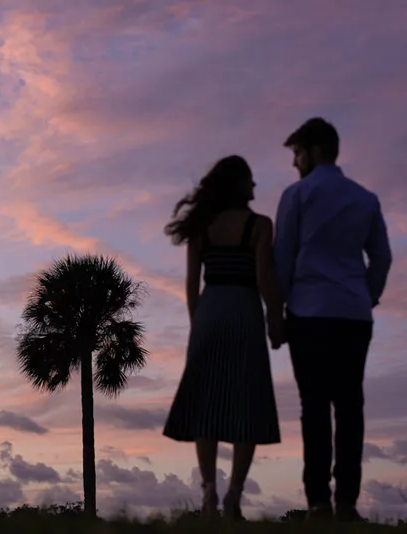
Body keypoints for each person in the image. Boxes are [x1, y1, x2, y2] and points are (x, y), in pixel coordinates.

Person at [274, 118, 393, 522]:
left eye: (297, 154)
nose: (294, 162)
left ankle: (318, 503)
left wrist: (279, 310)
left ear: (313, 151)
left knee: (314, 407)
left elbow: (282, 259)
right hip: (353, 314)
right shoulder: (364, 198)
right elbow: (382, 257)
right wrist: (367, 296)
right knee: (350, 405)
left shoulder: (297, 195)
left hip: (308, 313)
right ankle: (346, 503)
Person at [163, 155, 283, 521]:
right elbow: (264, 278)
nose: (255, 187)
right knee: (247, 400)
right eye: (250, 180)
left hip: (210, 310)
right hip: (244, 309)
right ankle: (233, 496)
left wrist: (196, 324)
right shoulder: (260, 225)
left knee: (207, 404)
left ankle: (208, 495)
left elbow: (190, 285)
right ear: (237, 184)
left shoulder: (202, 227)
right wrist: (274, 319)